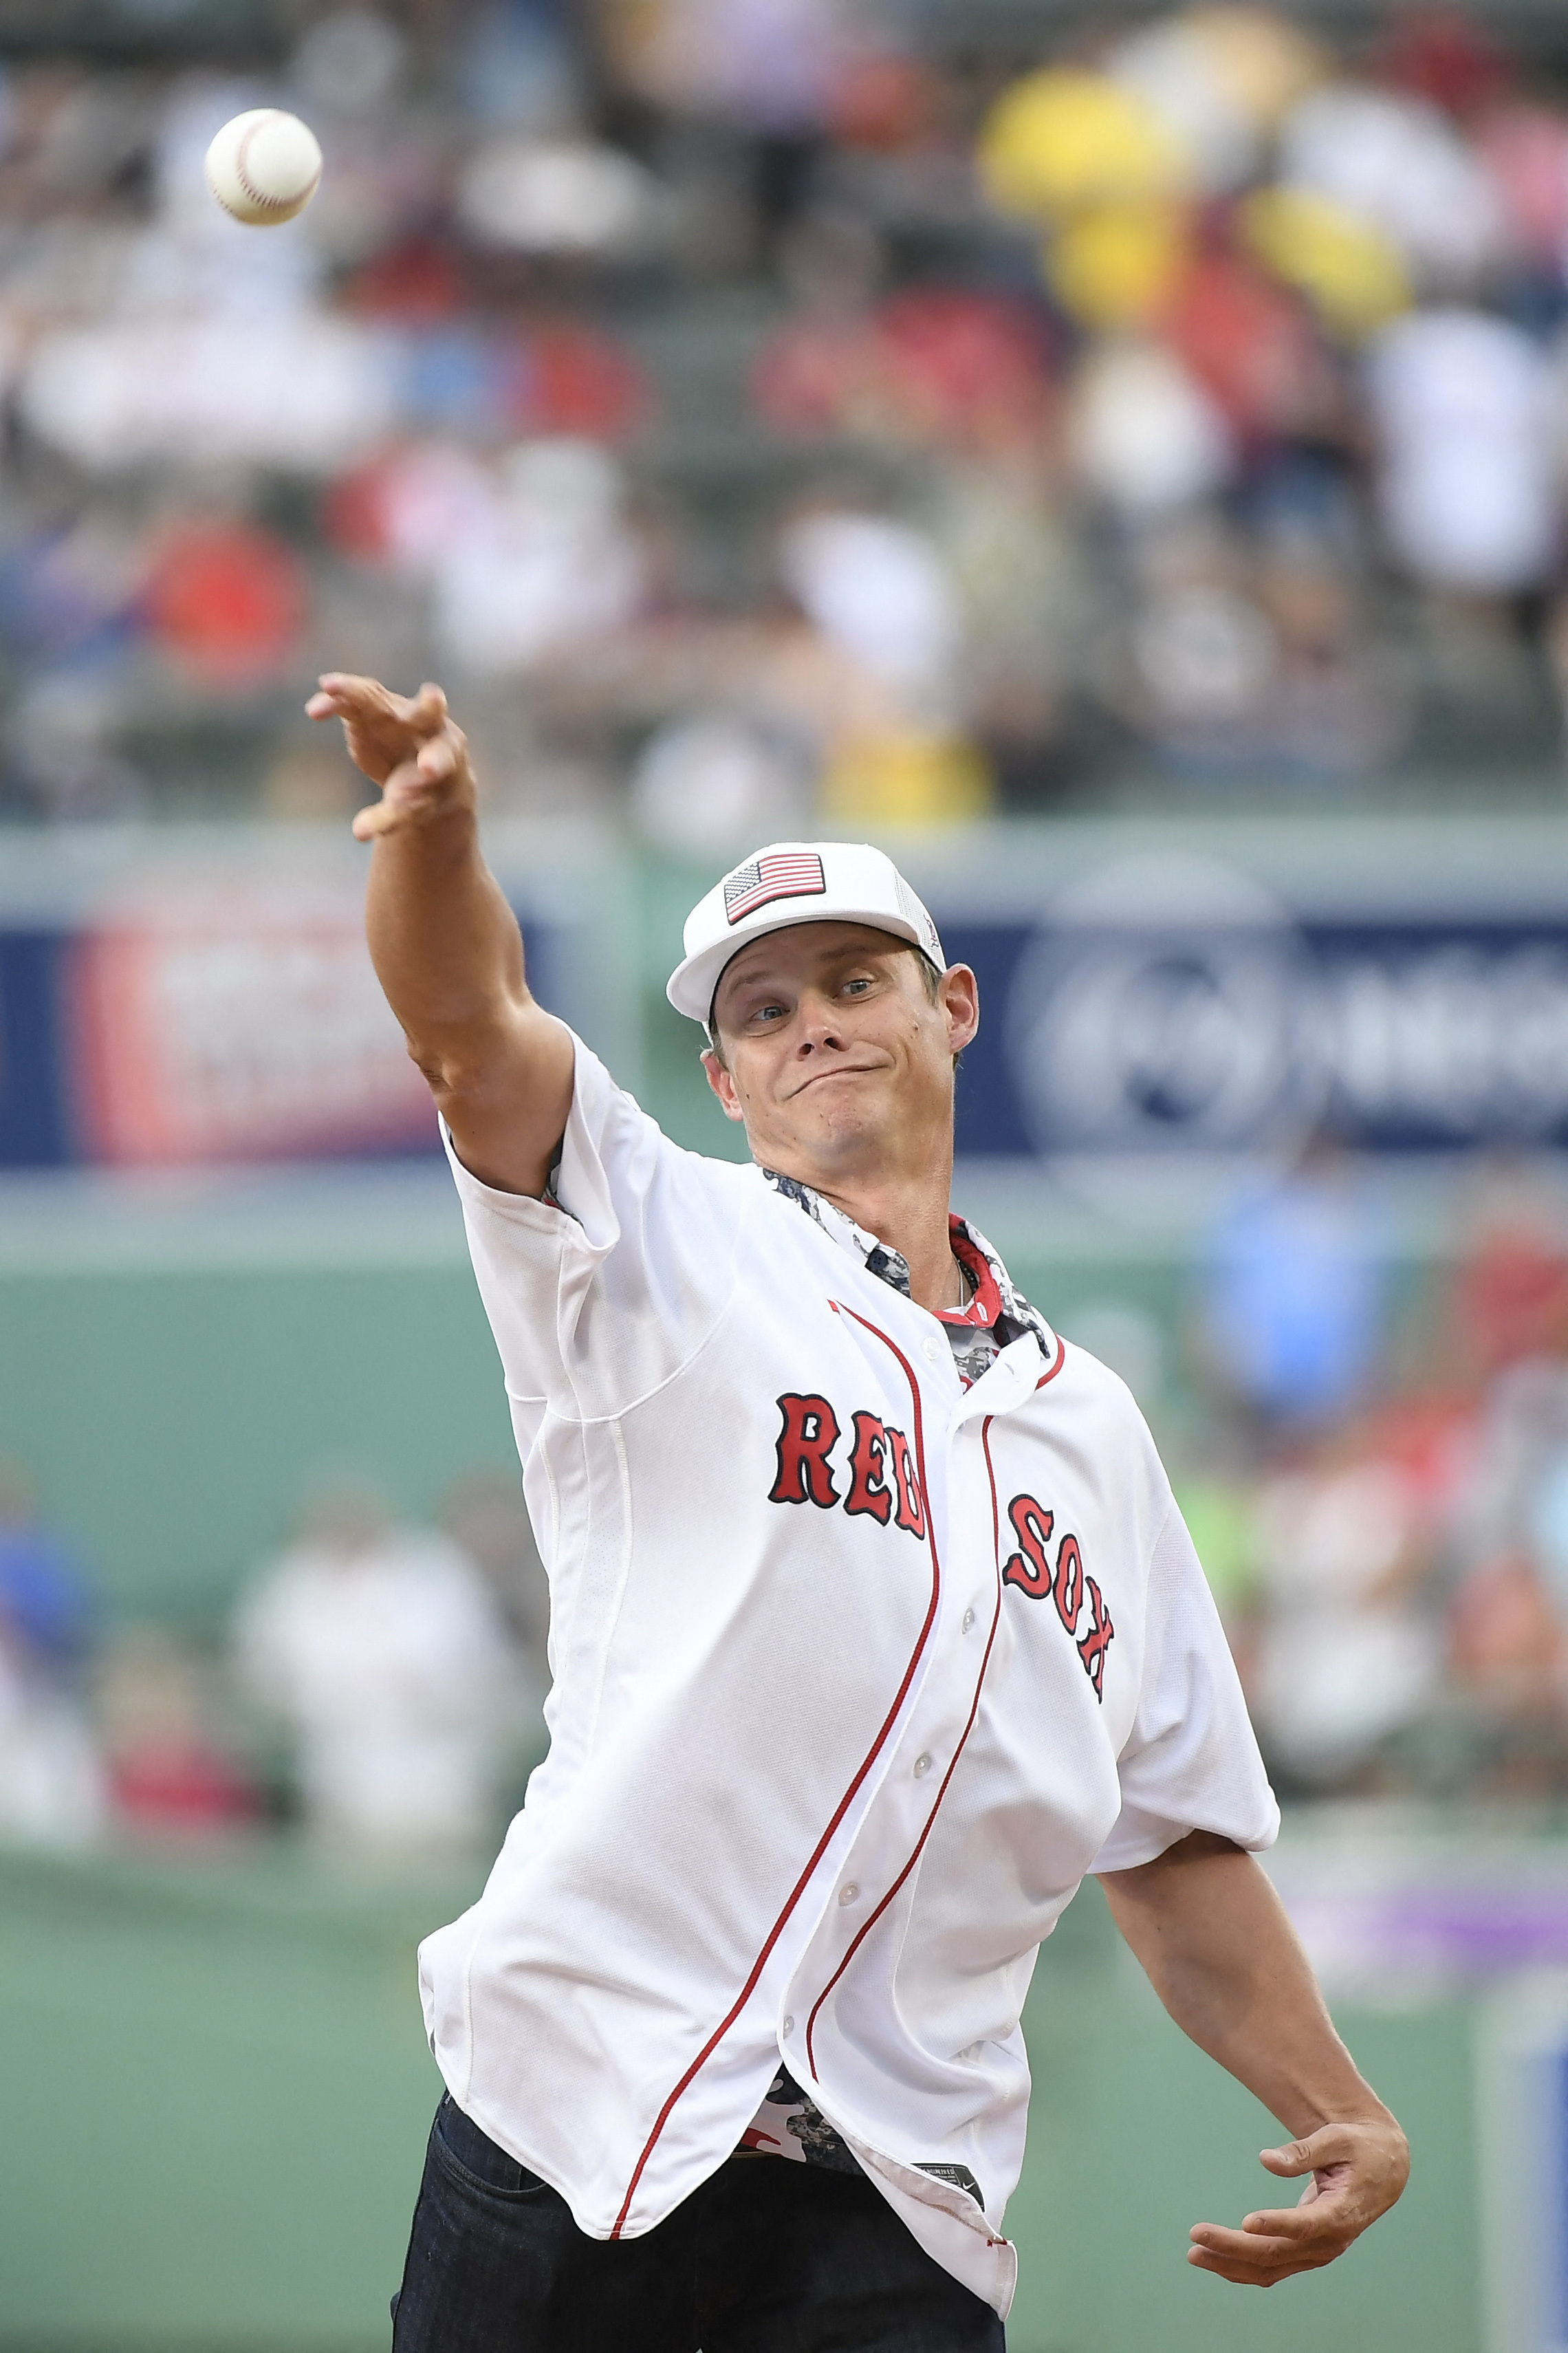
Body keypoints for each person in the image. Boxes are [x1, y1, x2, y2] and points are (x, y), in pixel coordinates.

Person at [307, 671, 1409, 2350]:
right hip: (581, 2112)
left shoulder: (1095, 1434)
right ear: (726, 1079)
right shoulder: (657, 1244)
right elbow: (471, 1030)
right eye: (762, 1011)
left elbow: (1173, 1833)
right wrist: (442, 838)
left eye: (852, 979)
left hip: (893, 2204)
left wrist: (1340, 2102)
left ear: (952, 1005)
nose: (811, 1020)